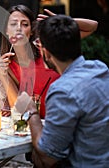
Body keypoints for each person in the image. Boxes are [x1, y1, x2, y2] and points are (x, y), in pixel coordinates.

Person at [15, 14, 109, 167]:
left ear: (45, 52)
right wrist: (64, 23)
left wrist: (31, 111)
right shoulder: (101, 68)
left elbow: (48, 156)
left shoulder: (62, 91)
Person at [0, 5, 98, 118]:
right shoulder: (7, 65)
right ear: (6, 30)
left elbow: (93, 26)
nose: (19, 28)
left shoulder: (46, 48)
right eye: (13, 24)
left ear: (31, 32)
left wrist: (62, 23)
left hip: (68, 116)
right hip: (41, 125)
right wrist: (3, 75)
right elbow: (19, 109)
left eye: (25, 24)